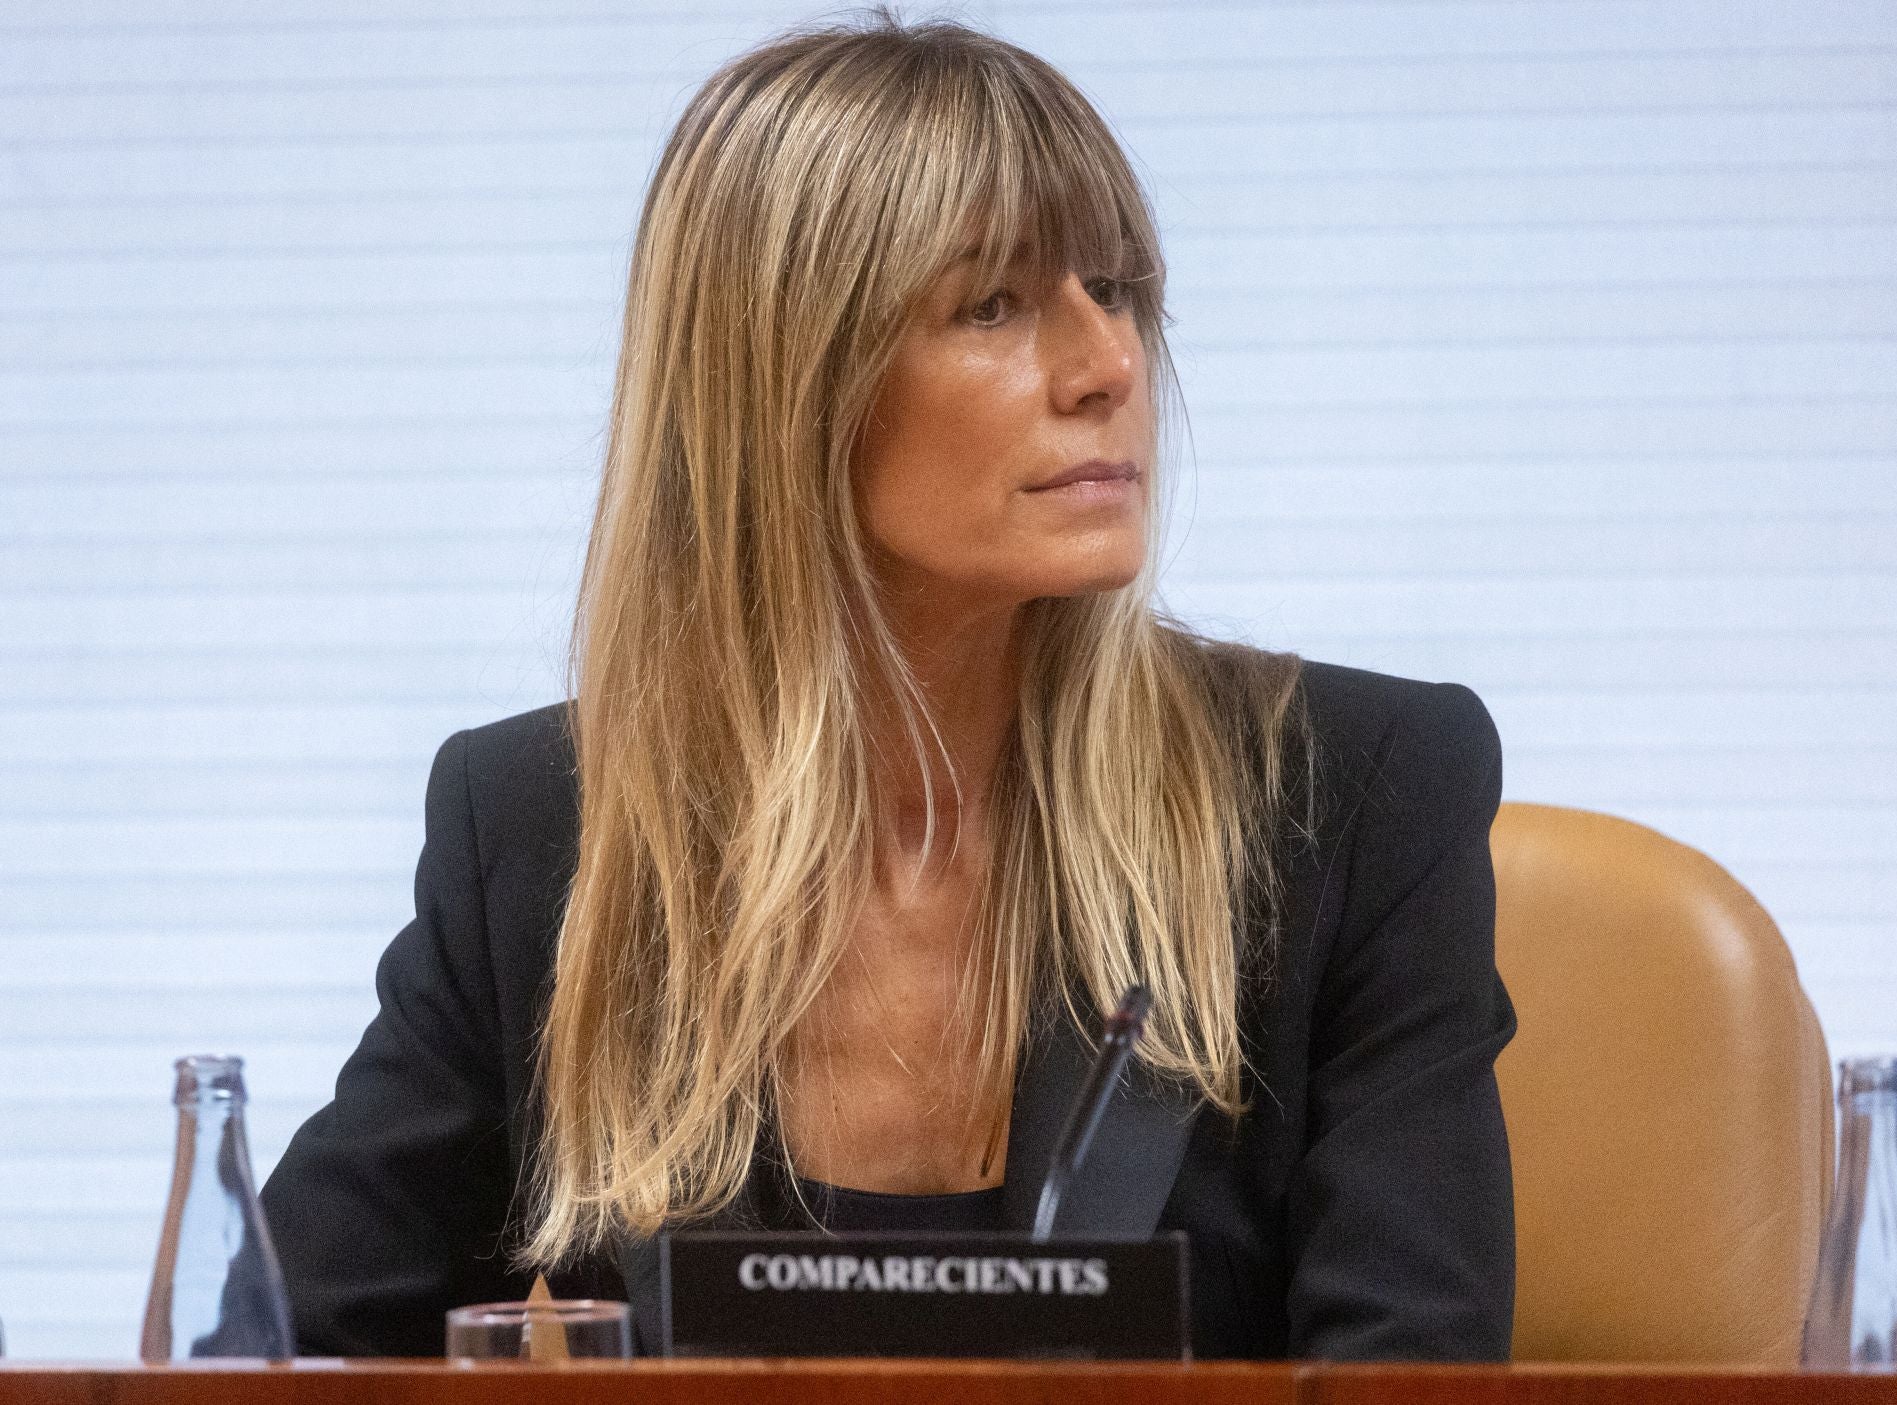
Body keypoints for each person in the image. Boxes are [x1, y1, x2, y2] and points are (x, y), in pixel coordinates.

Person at [259, 12, 1516, 1362]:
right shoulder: (544, 826)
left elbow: (1413, 1371)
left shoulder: (1352, 795)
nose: (1110, 365)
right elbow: (272, 1356)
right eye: (993, 303)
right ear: (786, 384)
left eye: (1123, 292)